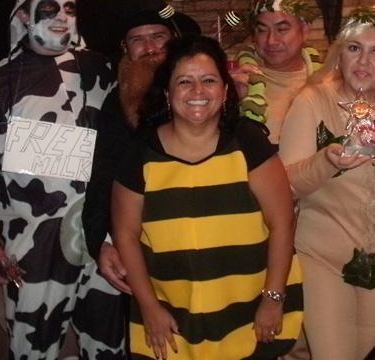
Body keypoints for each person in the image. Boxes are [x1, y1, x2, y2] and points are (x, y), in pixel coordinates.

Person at [0, 0, 125, 359]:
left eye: (69, 8)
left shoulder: (103, 71)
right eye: (49, 8)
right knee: (33, 349)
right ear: (23, 15)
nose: (62, 17)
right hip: (33, 245)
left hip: (102, 236)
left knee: (108, 346)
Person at [111, 35, 303, 359]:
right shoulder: (140, 153)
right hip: (170, 314)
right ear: (167, 93)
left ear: (225, 91)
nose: (197, 91)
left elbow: (282, 223)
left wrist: (273, 298)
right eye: (184, 81)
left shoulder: (249, 143)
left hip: (249, 309)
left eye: (209, 80)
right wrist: (149, 307)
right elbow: (125, 236)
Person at [279, 6, 375, 359]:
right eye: (354, 48)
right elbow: (285, 186)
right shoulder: (312, 100)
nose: (363, 61)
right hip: (320, 255)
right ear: (341, 53)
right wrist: (326, 161)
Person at [83, 0, 200, 293]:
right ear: (125, 48)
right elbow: (102, 174)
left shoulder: (205, 94)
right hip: (141, 244)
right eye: (138, 39)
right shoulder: (114, 106)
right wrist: (100, 242)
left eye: (158, 36)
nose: (149, 47)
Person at [232, 0, 322, 144]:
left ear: (305, 31)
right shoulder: (240, 80)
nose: (271, 41)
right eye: (262, 30)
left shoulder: (328, 81)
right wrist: (232, 104)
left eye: (282, 30)